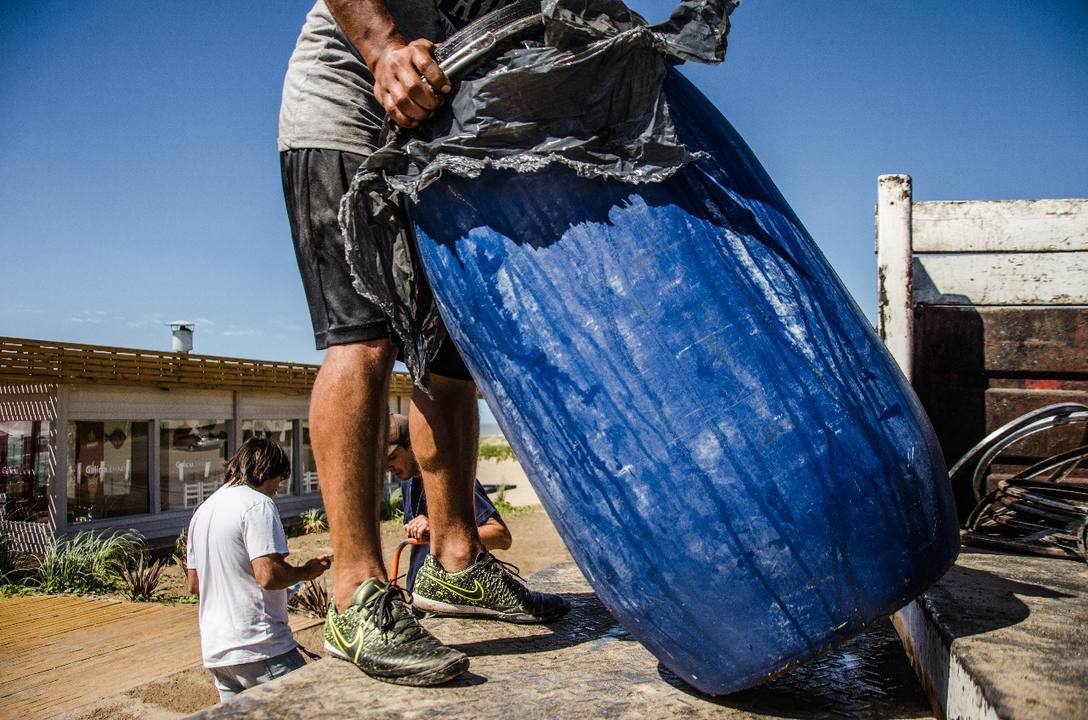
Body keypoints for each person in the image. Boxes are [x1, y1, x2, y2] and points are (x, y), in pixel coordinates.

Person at [278, 0, 566, 686]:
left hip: (443, 137)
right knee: (367, 337)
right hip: (347, 104)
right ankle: (355, 595)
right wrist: (382, 50)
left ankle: (458, 561)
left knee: (451, 359)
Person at [185, 437, 331, 702]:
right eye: (279, 480)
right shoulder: (257, 505)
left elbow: (194, 585)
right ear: (266, 471)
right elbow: (268, 575)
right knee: (311, 708)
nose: (277, 489)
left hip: (218, 652)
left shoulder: (203, 511)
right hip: (262, 647)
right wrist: (306, 572)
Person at [386, 414, 512, 593]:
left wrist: (439, 528)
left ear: (413, 444)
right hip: (422, 596)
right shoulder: (407, 482)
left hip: (458, 595)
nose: (386, 467)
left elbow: (501, 536)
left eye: (391, 457)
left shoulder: (453, 477)